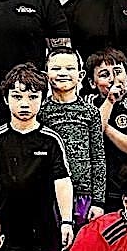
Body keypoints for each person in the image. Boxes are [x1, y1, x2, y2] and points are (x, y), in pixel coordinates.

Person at [0, 64, 75, 251]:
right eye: (17, 97)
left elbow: (62, 182)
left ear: (43, 99)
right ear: (6, 99)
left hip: (39, 226)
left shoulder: (51, 140)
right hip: (1, 225)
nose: (25, 103)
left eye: (32, 97)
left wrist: (67, 221)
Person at [39, 47, 107, 223]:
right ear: (45, 75)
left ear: (81, 75)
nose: (63, 73)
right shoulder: (40, 112)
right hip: (49, 193)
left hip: (84, 195)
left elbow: (98, 157)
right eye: (56, 68)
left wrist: (98, 201)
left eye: (69, 68)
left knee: (82, 239)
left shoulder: (90, 112)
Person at [86, 48, 127, 212]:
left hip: (124, 186)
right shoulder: (87, 102)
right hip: (93, 189)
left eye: (118, 72)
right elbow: (92, 135)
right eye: (104, 74)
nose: (113, 79)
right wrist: (110, 101)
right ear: (92, 82)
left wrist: (107, 127)